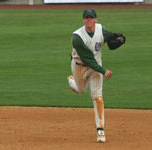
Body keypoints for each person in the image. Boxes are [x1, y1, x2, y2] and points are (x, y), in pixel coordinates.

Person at [67, 8, 125, 143]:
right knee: (81, 90)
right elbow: (88, 59)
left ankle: (100, 130)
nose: (89, 20)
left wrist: (117, 37)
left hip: (95, 68)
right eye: (86, 18)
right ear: (83, 20)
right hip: (79, 67)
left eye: (91, 17)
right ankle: (72, 81)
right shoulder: (77, 37)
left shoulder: (99, 28)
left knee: (97, 97)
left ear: (95, 19)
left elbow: (107, 36)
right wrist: (104, 71)